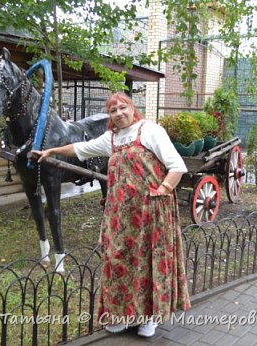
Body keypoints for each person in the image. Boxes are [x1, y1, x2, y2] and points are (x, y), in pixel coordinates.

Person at [31, 92, 191, 338]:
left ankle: (149, 317)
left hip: (150, 212)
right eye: (113, 110)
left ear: (132, 107)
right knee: (117, 261)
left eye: (122, 107)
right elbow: (80, 148)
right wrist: (51, 151)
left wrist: (163, 190)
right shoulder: (112, 139)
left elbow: (177, 166)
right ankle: (123, 314)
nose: (118, 113)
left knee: (146, 263)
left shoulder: (150, 130)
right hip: (119, 215)